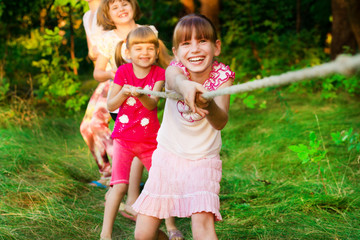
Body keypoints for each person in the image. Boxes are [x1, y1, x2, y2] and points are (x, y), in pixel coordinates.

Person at [132, 14, 235, 240]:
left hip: (203, 160)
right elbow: (174, 79)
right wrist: (186, 85)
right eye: (186, 43)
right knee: (143, 234)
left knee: (203, 226)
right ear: (176, 52)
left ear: (216, 47)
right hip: (168, 156)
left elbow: (220, 121)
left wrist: (206, 103)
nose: (195, 49)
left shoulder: (222, 77)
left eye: (203, 41)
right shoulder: (175, 69)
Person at [100, 25, 181, 240]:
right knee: (119, 186)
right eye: (138, 49)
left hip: (150, 141)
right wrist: (125, 93)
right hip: (124, 139)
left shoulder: (159, 73)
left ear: (156, 52)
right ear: (128, 52)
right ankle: (105, 234)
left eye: (149, 49)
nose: (144, 53)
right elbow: (110, 105)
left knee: (162, 181)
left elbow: (151, 104)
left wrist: (139, 95)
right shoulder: (123, 72)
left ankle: (171, 226)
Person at [80, 0, 112, 188]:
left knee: (97, 124)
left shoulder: (112, 9)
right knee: (86, 128)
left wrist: (98, 51)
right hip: (104, 78)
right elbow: (93, 54)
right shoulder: (87, 17)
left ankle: (124, 172)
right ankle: (107, 173)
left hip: (118, 75)